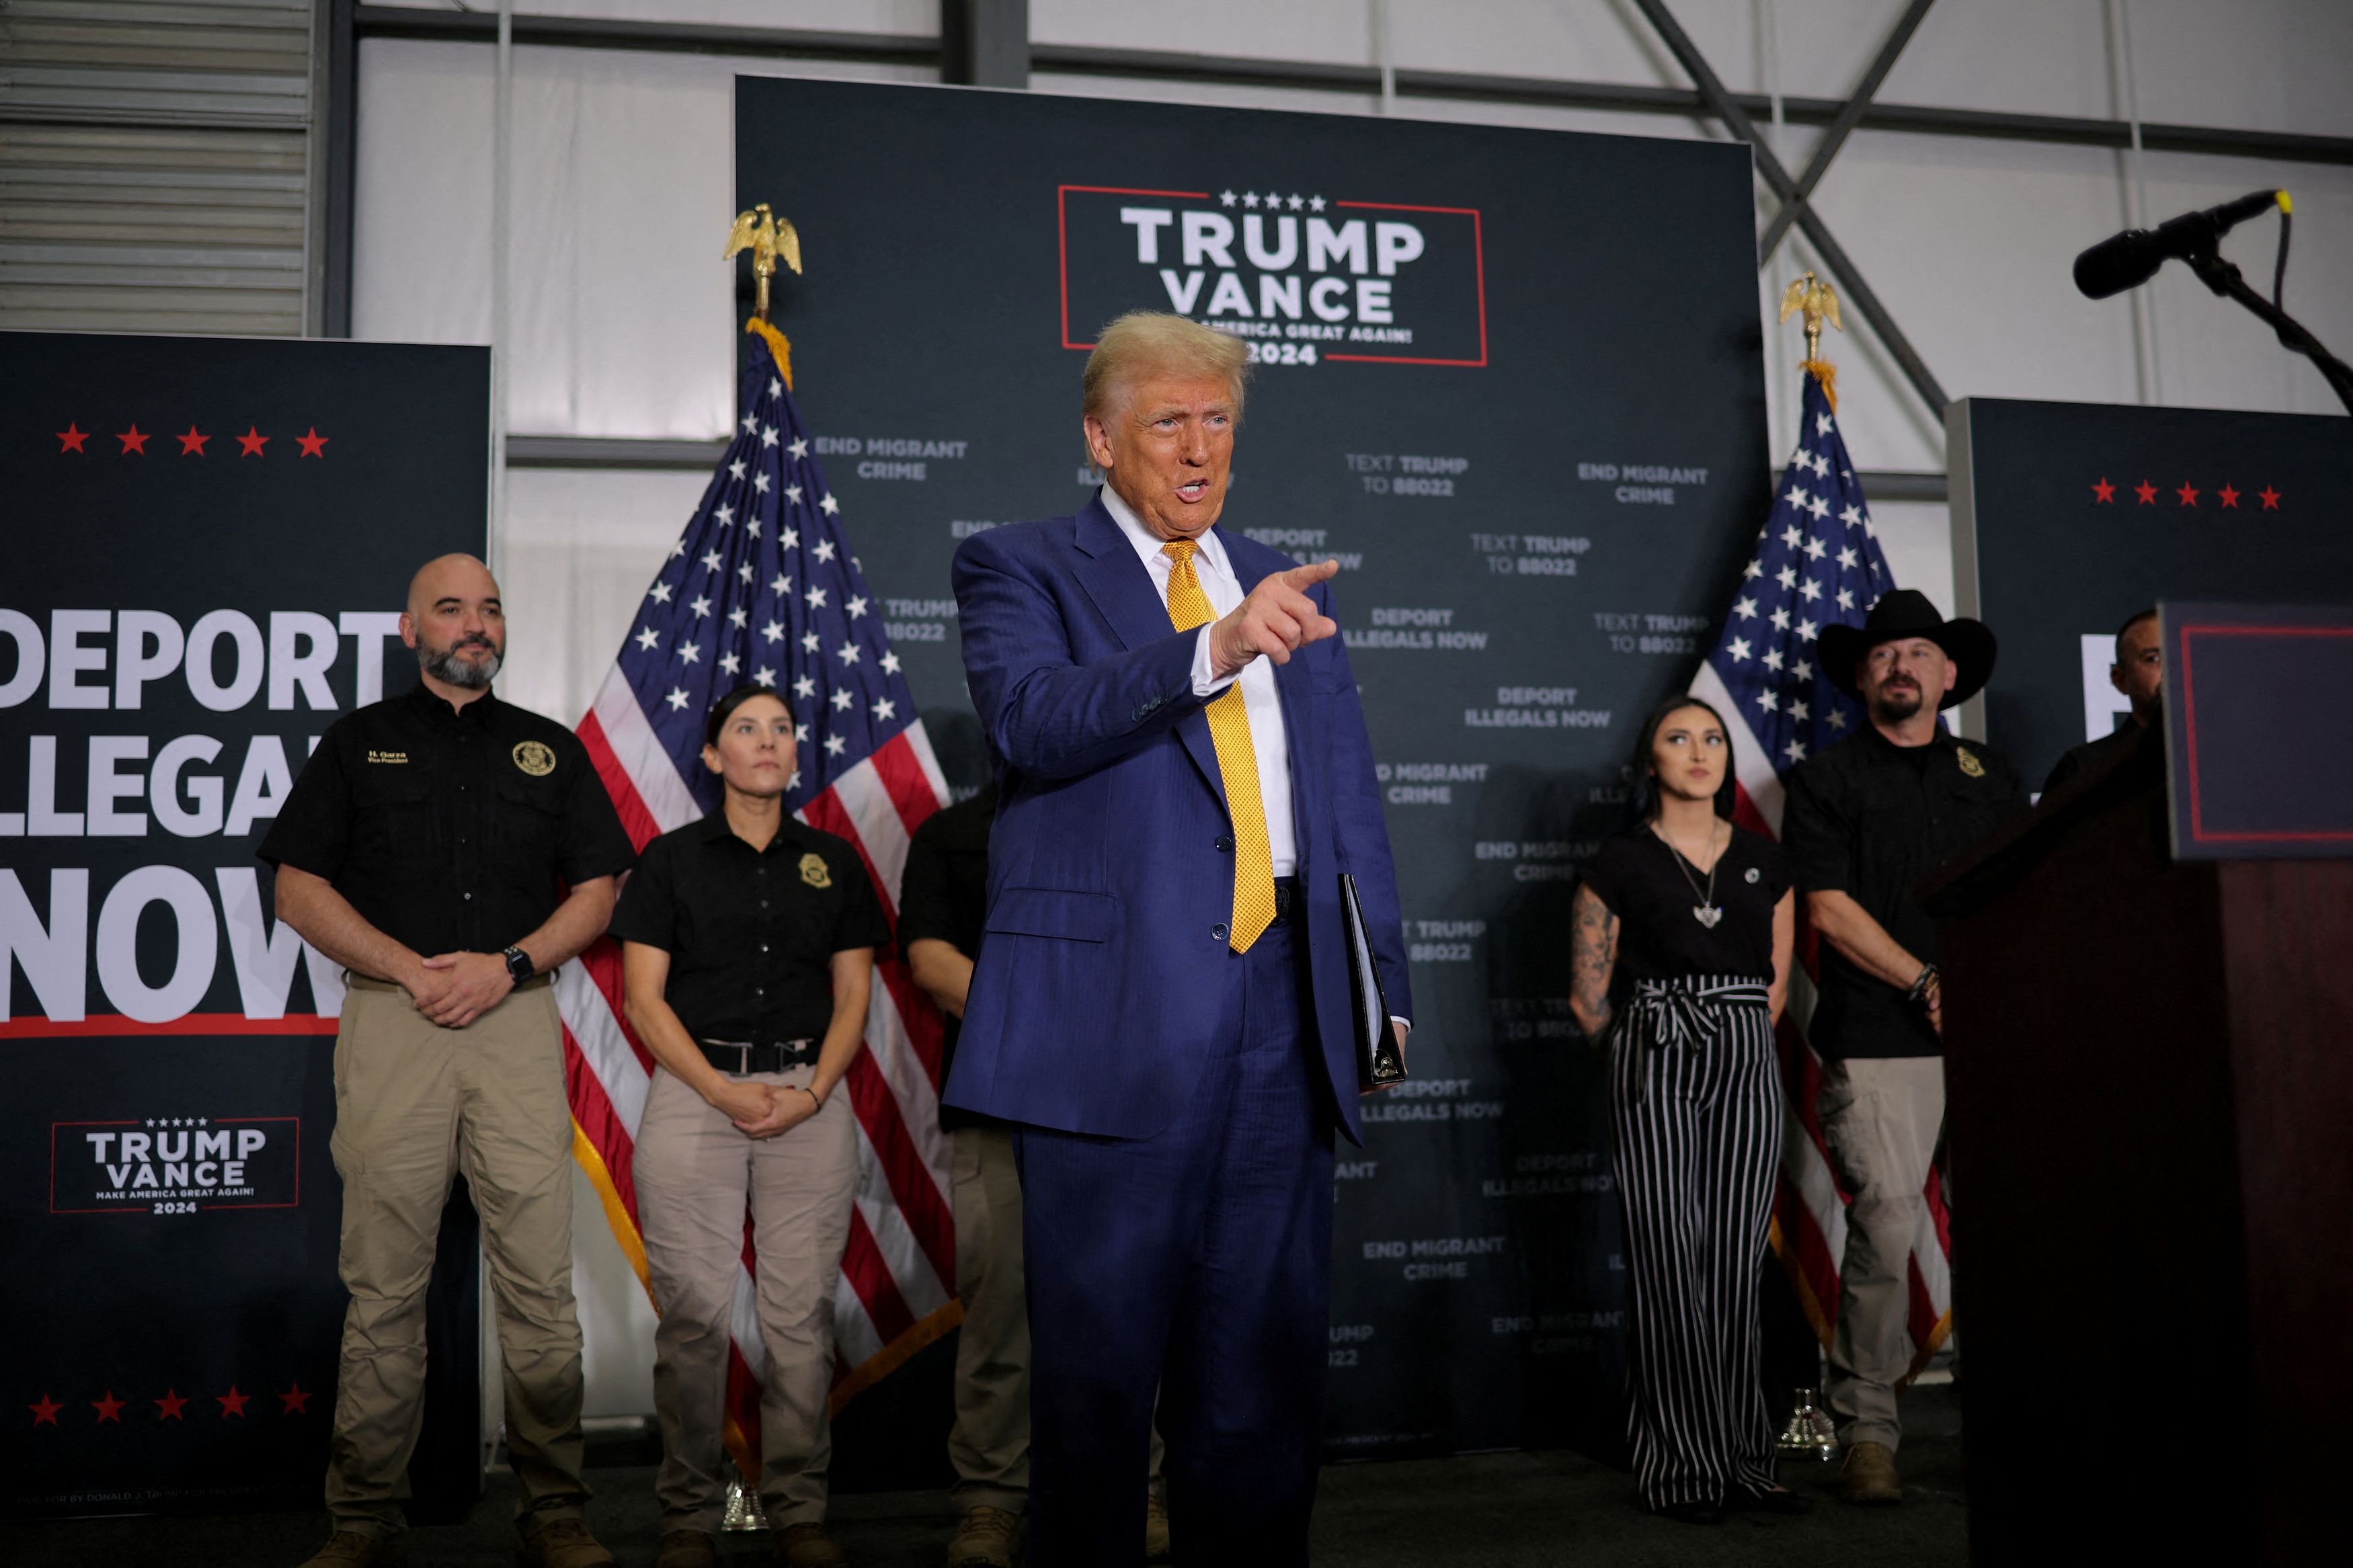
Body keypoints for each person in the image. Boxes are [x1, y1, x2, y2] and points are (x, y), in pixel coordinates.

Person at [944, 311, 1411, 1567]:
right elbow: (1036, 719)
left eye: (1218, 421)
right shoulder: (1017, 566)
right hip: (1112, 1021)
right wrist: (1215, 643)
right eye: (1168, 422)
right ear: (1102, 440)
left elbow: (1343, 798)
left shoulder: (1283, 580)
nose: (1200, 448)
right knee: (1097, 1385)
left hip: (1285, 1011)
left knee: (1262, 1373)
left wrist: (1377, 988)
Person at [262, 554, 635, 1568]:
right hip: (395, 1021)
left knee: (539, 1285)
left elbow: (598, 893)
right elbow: (297, 889)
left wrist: (505, 964)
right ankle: (362, 1518)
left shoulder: (550, 750)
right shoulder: (358, 744)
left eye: (490, 609)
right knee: (384, 1286)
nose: (476, 625)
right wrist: (411, 969)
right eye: (452, 609)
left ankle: (555, 1512)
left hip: (516, 1020)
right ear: (410, 628)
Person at [610, 684, 891, 1568]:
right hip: (696, 1093)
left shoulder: (834, 862)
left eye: (781, 729)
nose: (767, 742)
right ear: (712, 755)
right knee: (693, 1319)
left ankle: (798, 1510)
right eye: (745, 729)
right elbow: (642, 1000)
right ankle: (688, 1518)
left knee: (800, 1317)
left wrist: (813, 1092)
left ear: (796, 753)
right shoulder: (668, 860)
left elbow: (854, 993)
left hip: (809, 1095)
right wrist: (721, 1090)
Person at [1780, 588, 2028, 1505]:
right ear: (1860, 676)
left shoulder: (1991, 774)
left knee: (2002, 1237)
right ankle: (1867, 1433)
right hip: (1880, 1036)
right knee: (1886, 1229)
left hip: (1993, 1033)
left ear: (1949, 673)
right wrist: (1928, 982)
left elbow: (2017, 892)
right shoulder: (1826, 778)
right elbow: (1826, 908)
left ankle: (2004, 1424)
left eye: (1919, 652)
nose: (1901, 666)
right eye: (1884, 654)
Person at [900, 784, 1170, 1568]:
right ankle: (992, 1499)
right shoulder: (951, 832)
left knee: (1127, 1304)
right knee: (1000, 1315)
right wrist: (1047, 1018)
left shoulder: (1131, 813)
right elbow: (929, 957)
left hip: (1119, 1102)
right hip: (998, 1100)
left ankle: (1136, 1487)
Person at [1569, 696, 1800, 1526]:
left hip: (1743, 1049)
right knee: (1667, 1258)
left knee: (1735, 1260)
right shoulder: (1620, 860)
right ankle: (1681, 1468)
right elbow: (1587, 995)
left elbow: (1774, 988)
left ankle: (1745, 1460)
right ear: (1650, 761)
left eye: (1712, 737)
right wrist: (1639, 1055)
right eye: (1678, 737)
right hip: (1652, 1047)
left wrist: (1728, 1036)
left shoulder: (1766, 861)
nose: (1698, 751)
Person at [2042, 607, 2162, 795]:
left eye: (2185, 652)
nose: (2175, 666)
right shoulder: (2085, 769)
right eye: (2154, 658)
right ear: (2121, 680)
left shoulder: (2214, 756)